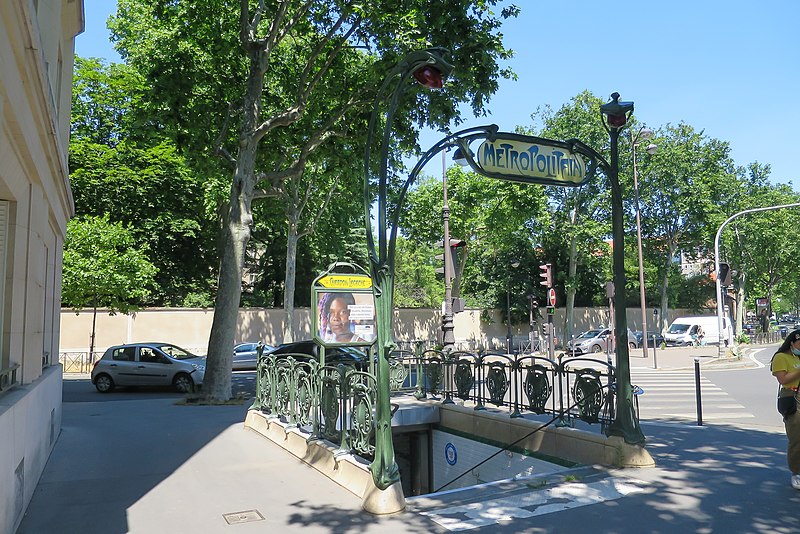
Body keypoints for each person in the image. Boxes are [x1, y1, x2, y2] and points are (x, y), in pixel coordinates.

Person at [770, 329, 800, 489]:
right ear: (792, 342)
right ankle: (796, 472)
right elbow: (783, 379)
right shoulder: (781, 357)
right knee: (796, 437)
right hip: (792, 396)